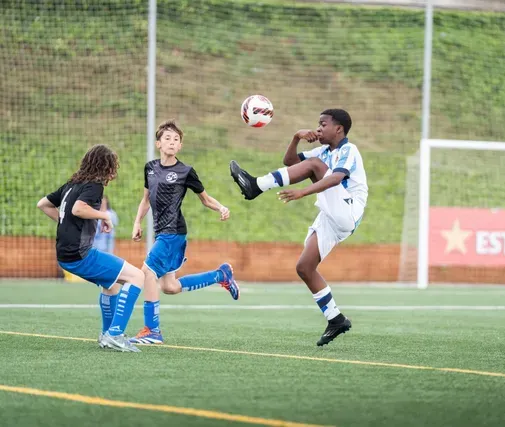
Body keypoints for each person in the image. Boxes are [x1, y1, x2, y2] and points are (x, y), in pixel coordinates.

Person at [230, 109, 367, 346]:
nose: (319, 128)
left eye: (323, 124)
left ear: (339, 129)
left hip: (348, 209)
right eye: (318, 124)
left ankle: (256, 186)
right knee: (304, 267)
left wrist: (303, 191)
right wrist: (296, 137)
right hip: (331, 215)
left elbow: (334, 178)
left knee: (314, 165)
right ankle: (336, 318)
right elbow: (290, 163)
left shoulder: (349, 150)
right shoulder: (323, 151)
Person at [130, 119, 238, 345]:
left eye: (176, 139)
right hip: (162, 232)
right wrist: (137, 222)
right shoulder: (150, 168)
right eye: (167, 138)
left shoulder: (185, 171)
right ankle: (220, 275)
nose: (171, 142)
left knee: (147, 272)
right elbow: (145, 200)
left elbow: (205, 199)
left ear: (180, 146)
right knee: (169, 287)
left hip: (173, 233)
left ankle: (152, 330)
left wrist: (221, 207)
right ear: (158, 143)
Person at [36, 144, 144, 352]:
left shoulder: (71, 184)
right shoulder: (95, 186)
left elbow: (43, 204)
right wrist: (104, 216)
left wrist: (63, 222)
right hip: (80, 254)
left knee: (111, 285)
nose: (114, 173)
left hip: (65, 254)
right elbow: (78, 209)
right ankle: (115, 334)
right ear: (104, 167)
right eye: (112, 167)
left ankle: (106, 335)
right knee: (137, 276)